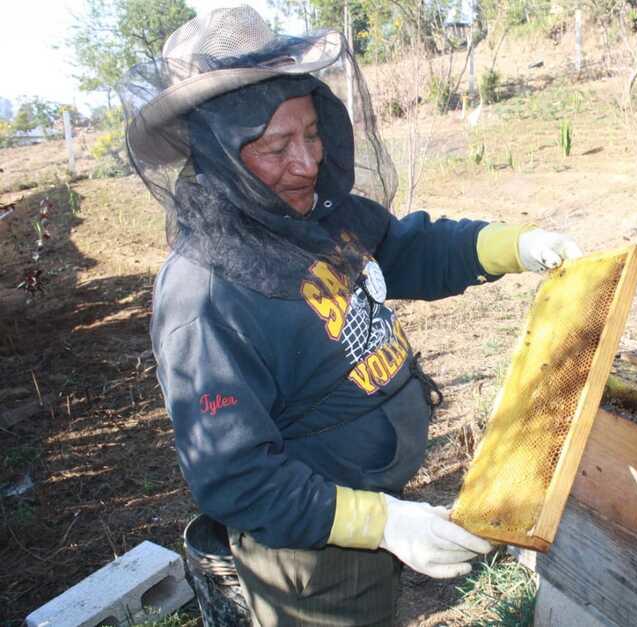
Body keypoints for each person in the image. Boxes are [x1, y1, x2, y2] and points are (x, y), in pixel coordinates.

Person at [120, 7, 582, 625]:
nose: (307, 162)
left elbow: (405, 248)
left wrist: (512, 245)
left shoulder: (312, 215)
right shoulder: (203, 297)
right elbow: (234, 477)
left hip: (374, 508)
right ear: (219, 154)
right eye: (276, 145)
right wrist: (379, 523)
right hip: (309, 554)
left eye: (312, 134)